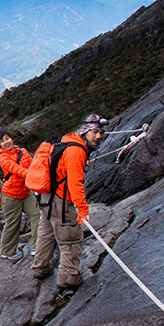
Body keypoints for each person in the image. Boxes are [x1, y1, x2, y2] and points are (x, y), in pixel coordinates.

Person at [31, 114, 106, 290]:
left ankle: (40, 268)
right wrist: (82, 209)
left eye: (101, 133)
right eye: (94, 132)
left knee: (46, 234)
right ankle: (69, 278)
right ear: (86, 131)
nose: (98, 137)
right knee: (70, 239)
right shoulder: (77, 151)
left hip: (45, 197)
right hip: (60, 201)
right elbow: (74, 184)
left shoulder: (69, 141)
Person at [0, 129, 41, 261]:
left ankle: (36, 246)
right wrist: (32, 175)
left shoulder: (23, 152)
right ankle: (6, 251)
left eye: (7, 139)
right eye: (2, 141)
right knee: (13, 223)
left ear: (12, 139)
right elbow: (16, 170)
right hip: (11, 195)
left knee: (37, 214)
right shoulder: (3, 157)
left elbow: (32, 165)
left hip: (25, 193)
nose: (6, 142)